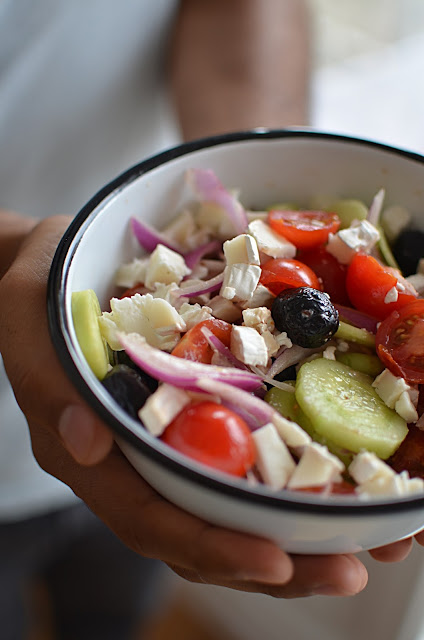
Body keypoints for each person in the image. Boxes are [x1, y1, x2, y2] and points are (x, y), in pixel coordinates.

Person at [0, 1, 418, 638]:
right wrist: (15, 253)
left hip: (156, 458)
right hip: (63, 374)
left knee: (116, 610)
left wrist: (253, 156)